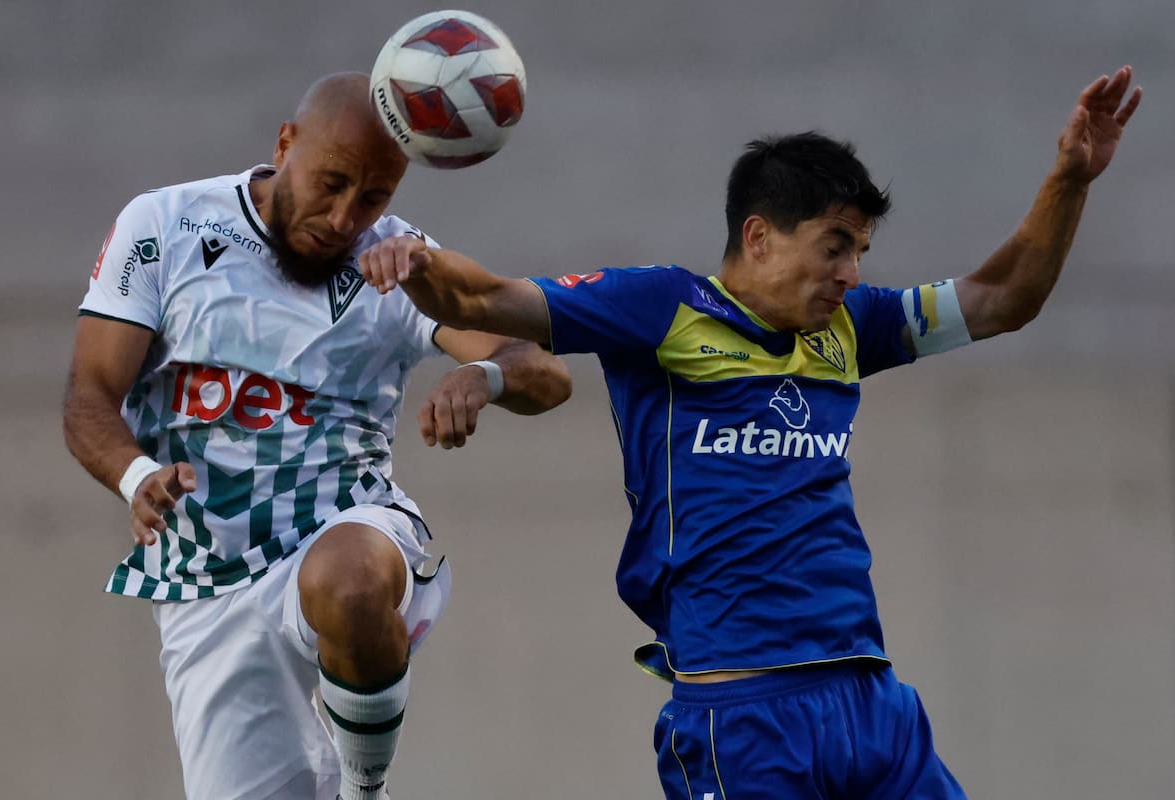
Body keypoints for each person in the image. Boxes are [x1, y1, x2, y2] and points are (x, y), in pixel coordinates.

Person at [358, 66, 1142, 797]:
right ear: (760, 236)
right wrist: (415, 260)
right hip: (743, 715)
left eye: (861, 251)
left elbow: (1004, 298)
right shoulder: (664, 308)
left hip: (873, 703)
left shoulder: (852, 327)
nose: (852, 274)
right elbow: (488, 299)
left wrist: (1069, 178)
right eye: (835, 246)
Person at [62, 72, 571, 800]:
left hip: (341, 527)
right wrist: (135, 474)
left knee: (350, 581)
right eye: (331, 184)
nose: (343, 218)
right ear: (285, 144)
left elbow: (541, 370)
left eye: (373, 198)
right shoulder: (164, 226)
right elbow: (89, 397)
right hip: (205, 581)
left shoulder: (398, 263)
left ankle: (365, 788)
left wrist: (482, 378)